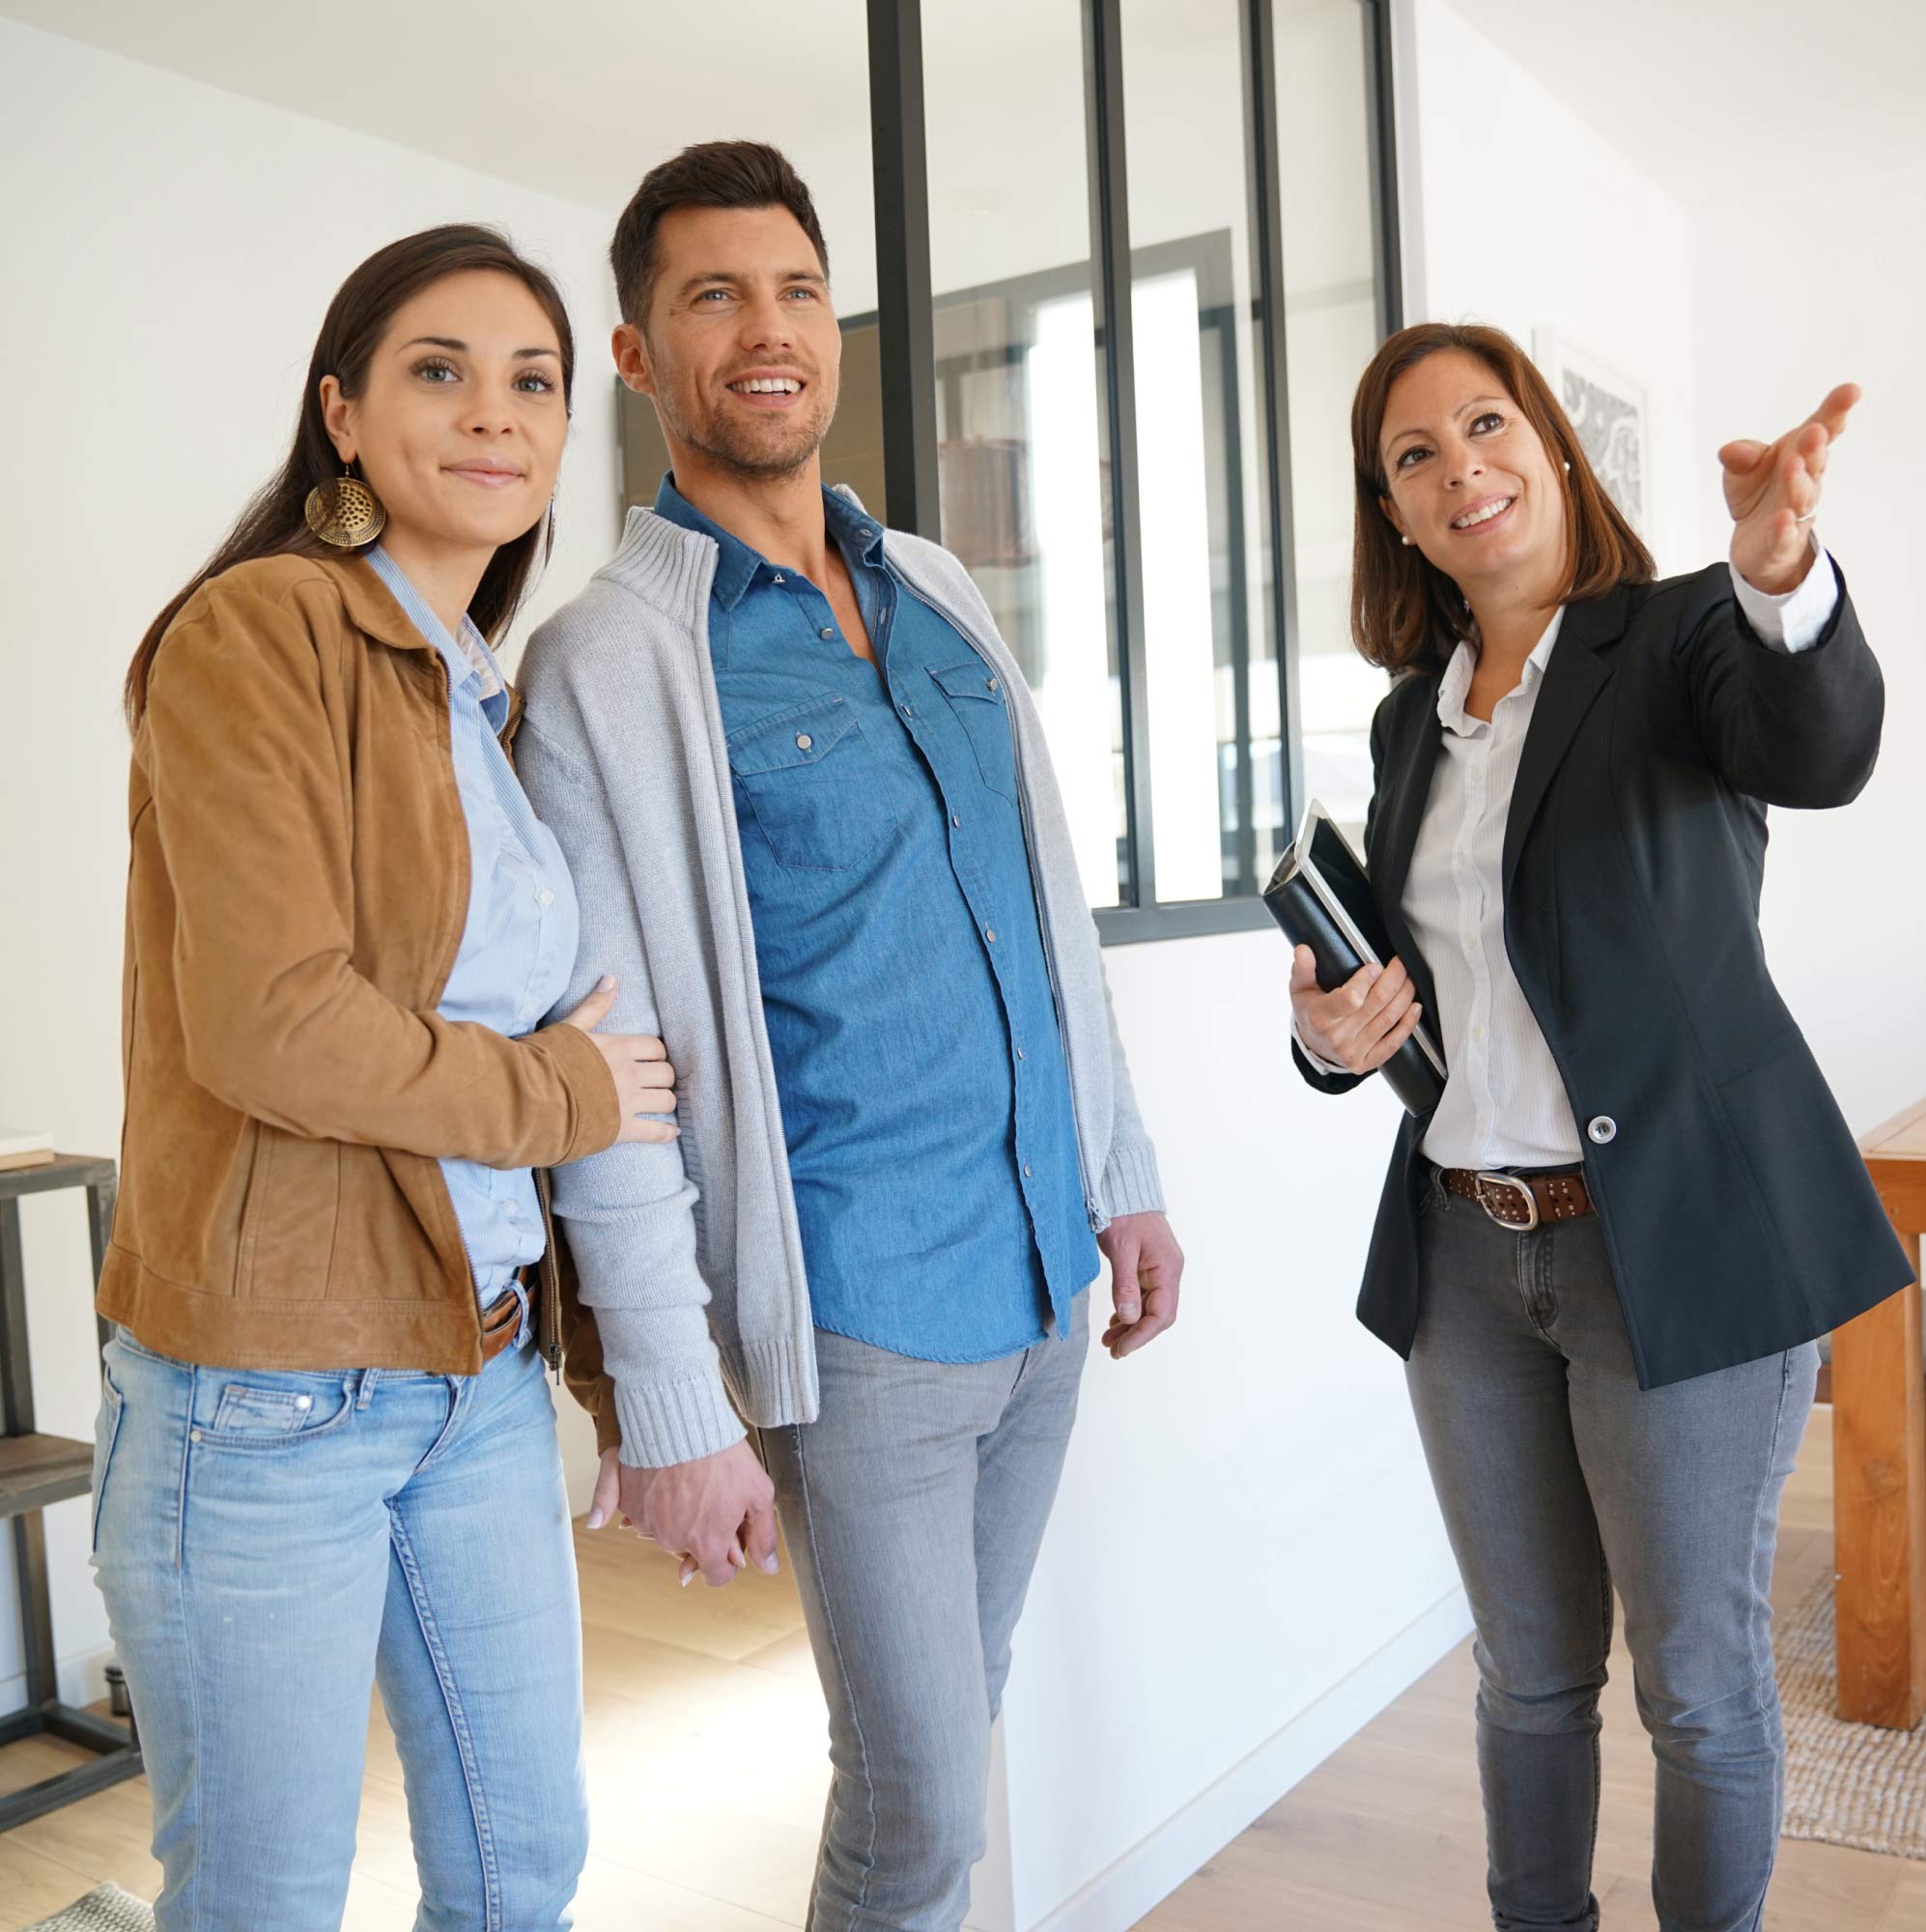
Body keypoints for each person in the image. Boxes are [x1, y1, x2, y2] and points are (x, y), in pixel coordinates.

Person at [513, 141, 1184, 1932]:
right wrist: (670, 1401)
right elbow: (613, 1072)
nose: (767, 330)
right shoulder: (609, 665)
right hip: (865, 1320)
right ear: (641, 356)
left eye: (796, 290)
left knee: (946, 1748)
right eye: (712, 296)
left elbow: (1054, 925)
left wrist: (1122, 1177)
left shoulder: (944, 595)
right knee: (915, 1810)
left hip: (1047, 1285)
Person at [92, 225, 677, 1932]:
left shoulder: (472, 686)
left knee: (519, 1871)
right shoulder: (256, 634)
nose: (493, 415)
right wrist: (568, 1090)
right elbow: (276, 1024)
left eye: (534, 383)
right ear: (342, 414)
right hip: (266, 1401)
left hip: (474, 1377)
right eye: (441, 370)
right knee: (265, 1897)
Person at [1289, 321, 1907, 1932]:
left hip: (1673, 1249)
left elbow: (1821, 748)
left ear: (1554, 452)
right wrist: (1331, 1038)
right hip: (1467, 1262)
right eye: (1414, 457)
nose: (1460, 469)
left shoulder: (1689, 639)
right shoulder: (1408, 726)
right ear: (1397, 516)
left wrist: (1780, 575)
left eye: (1485, 427)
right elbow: (1438, 1009)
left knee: (1696, 1683)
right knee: (1528, 1676)